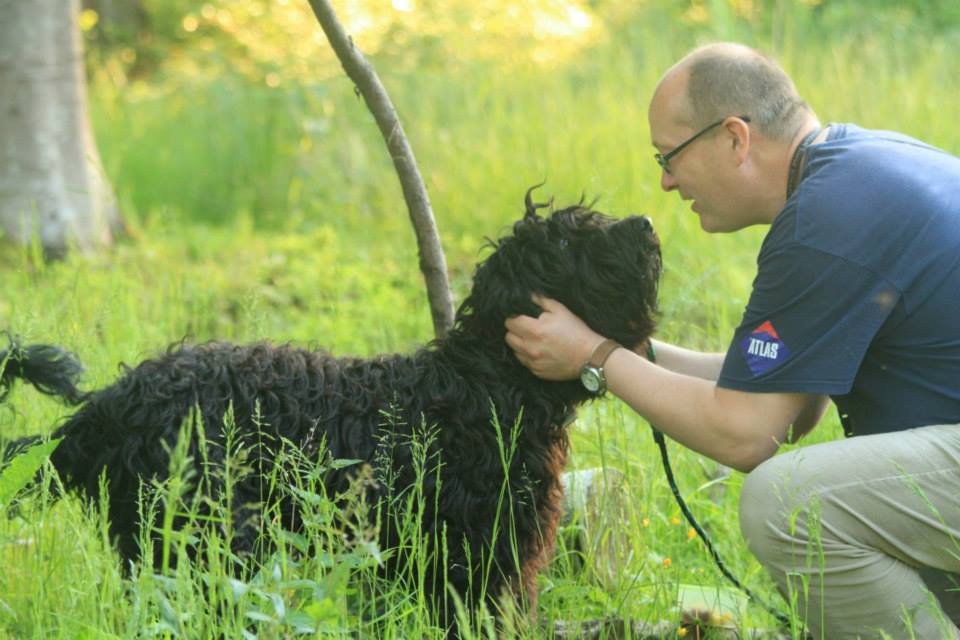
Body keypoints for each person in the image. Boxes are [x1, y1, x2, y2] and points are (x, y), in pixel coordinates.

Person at [504, 42, 960, 639]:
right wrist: (636, 355)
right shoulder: (857, 171)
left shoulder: (824, 220)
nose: (666, 181)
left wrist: (595, 357)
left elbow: (747, 434)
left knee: (788, 500)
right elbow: (787, 405)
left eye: (669, 156)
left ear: (735, 138)